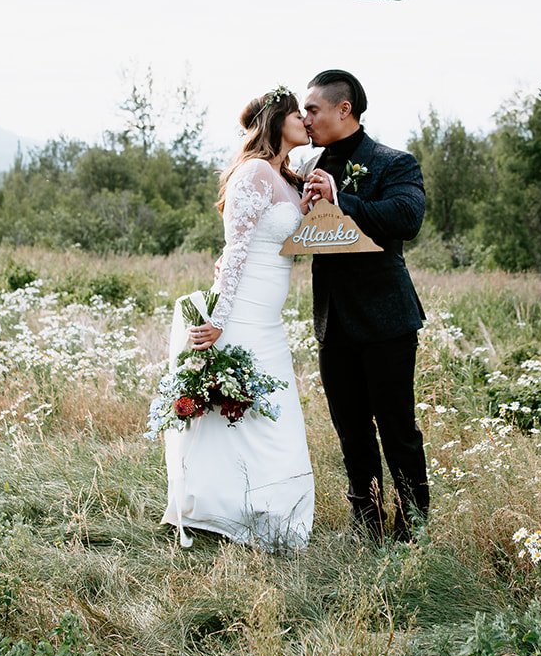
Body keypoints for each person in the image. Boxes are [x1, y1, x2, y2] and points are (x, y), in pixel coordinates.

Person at [160, 86, 316, 549]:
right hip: (242, 311)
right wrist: (220, 319)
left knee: (271, 413)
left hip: (270, 316)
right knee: (246, 413)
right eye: (298, 115)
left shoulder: (287, 177)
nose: (306, 121)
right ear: (277, 121)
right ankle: (230, 511)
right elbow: (236, 250)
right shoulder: (252, 173)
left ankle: (262, 512)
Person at [300, 69, 429, 540]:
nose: (306, 117)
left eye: (312, 109)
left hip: (386, 318)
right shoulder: (307, 167)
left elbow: (406, 218)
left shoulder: (394, 162)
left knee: (398, 428)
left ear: (343, 109)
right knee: (351, 430)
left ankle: (412, 525)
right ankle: (366, 523)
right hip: (332, 322)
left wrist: (343, 199)